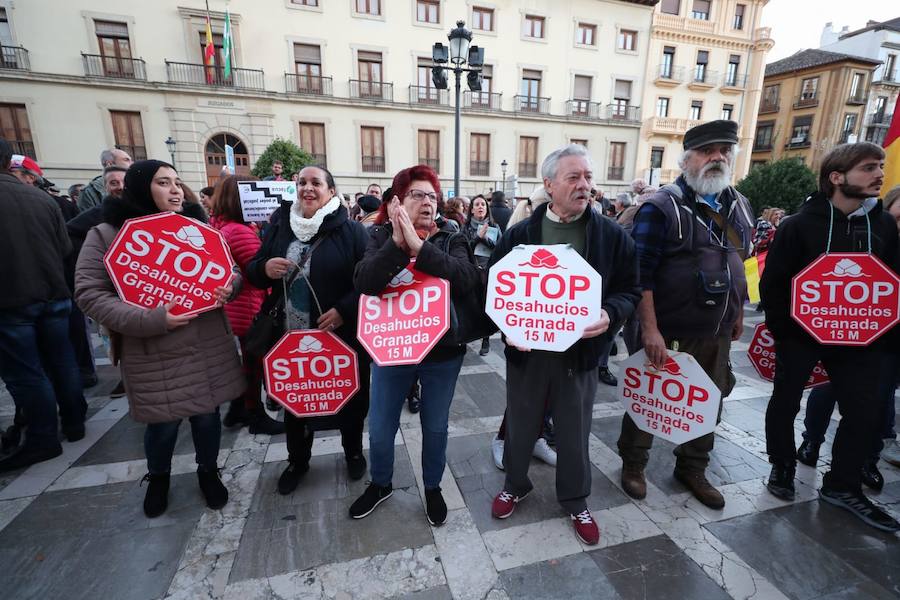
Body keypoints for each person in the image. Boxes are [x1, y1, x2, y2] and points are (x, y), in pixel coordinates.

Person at [488, 144, 640, 545]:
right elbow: (496, 289)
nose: (584, 185)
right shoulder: (519, 235)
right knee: (521, 426)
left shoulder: (611, 236)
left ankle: (575, 499)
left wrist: (610, 314)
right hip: (528, 355)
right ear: (549, 185)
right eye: (574, 177)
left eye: (588, 177)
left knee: (574, 432)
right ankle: (515, 484)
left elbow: (630, 289)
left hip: (580, 355)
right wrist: (506, 326)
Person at [75, 159, 244, 517]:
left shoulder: (197, 227)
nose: (175, 190)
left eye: (178, 182)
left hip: (206, 345)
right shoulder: (106, 234)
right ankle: (159, 477)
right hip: (153, 348)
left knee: (207, 417)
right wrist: (153, 319)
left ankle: (209, 472)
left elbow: (232, 271)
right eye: (163, 182)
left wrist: (230, 286)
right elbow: (89, 293)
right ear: (140, 189)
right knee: (163, 423)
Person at [761, 143, 899, 533]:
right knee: (786, 401)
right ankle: (783, 465)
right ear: (837, 177)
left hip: (862, 339)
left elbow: (894, 282)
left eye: (880, 167)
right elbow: (774, 286)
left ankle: (842, 485)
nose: (878, 175)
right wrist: (787, 333)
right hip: (801, 336)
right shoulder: (798, 226)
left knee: (865, 409)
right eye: (868, 168)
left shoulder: (884, 225)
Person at [617, 120, 754, 510]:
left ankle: (693, 468)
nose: (717, 158)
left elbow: (740, 264)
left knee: (709, 398)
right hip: (669, 327)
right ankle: (634, 463)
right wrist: (650, 329)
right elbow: (640, 273)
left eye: (724, 151)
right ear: (687, 158)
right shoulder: (661, 206)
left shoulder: (740, 205)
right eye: (707, 151)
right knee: (651, 395)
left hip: (717, 328)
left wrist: (738, 311)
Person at [349, 164, 481, 526]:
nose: (427, 202)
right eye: (417, 195)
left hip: (441, 352)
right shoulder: (377, 237)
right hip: (390, 350)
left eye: (432, 197)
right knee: (379, 426)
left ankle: (433, 487)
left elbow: (467, 278)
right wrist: (396, 244)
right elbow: (365, 282)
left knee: (435, 427)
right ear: (397, 202)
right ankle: (380, 483)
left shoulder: (451, 237)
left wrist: (421, 248)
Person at [247, 165, 371, 494]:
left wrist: (345, 310)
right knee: (296, 402)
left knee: (350, 401)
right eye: (301, 182)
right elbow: (253, 269)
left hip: (340, 338)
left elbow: (371, 283)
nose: (307, 188)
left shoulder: (352, 231)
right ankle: (297, 460)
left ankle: (354, 451)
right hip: (290, 338)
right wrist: (264, 268)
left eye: (316, 182)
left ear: (331, 191)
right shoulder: (279, 225)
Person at [0, 138, 87, 472]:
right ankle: (75, 422)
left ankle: (42, 438)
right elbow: (64, 246)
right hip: (54, 293)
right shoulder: (43, 199)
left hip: (11, 300)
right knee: (63, 360)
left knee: (27, 373)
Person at [209, 176, 284, 436]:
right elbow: (259, 271)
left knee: (249, 360)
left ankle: (238, 409)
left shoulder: (223, 225)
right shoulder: (239, 231)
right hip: (249, 306)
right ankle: (255, 414)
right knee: (254, 363)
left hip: (237, 306)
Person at [463, 194, 499, 356]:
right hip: (471, 270)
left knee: (486, 305)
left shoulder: (494, 226)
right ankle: (466, 335)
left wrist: (486, 240)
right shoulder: (465, 228)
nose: (480, 207)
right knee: (471, 305)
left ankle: (485, 339)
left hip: (488, 271)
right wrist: (478, 237)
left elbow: (500, 249)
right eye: (477, 204)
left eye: (483, 205)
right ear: (471, 210)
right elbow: (463, 249)